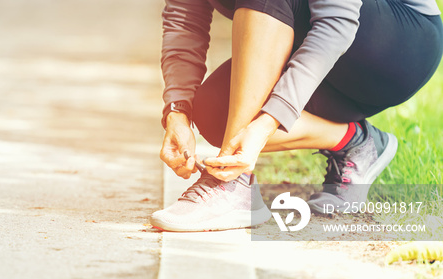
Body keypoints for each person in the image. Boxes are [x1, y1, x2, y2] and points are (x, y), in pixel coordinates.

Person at [151, 0, 443, 232]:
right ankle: (356, 141)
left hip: (398, 46)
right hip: (323, 44)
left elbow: (337, 23)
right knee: (215, 112)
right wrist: (177, 111)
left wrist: (267, 121)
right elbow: (184, 18)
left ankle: (232, 184)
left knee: (239, 120)